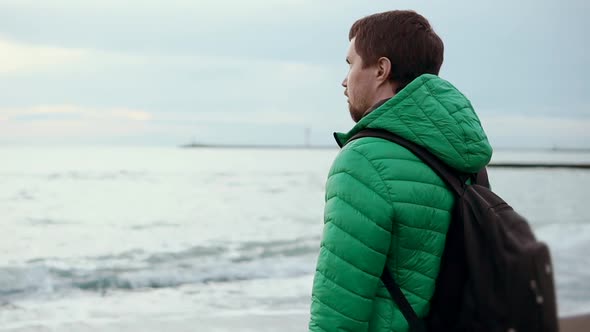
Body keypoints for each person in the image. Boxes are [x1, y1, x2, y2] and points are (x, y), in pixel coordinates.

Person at [308, 10, 493, 332]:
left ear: (381, 69)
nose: (344, 78)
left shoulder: (365, 158)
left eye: (351, 63)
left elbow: (340, 299)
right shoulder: (460, 154)